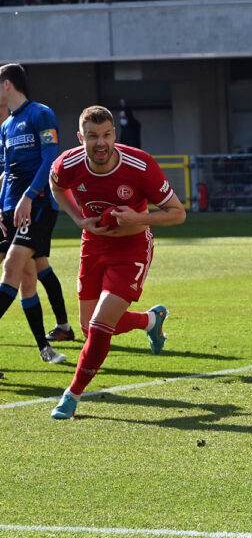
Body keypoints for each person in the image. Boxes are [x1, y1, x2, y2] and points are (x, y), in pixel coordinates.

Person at [48, 105, 187, 419]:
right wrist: (78, 219)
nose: (101, 143)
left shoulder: (140, 164)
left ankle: (72, 395)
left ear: (114, 134)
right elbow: (57, 185)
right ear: (80, 137)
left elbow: (178, 213)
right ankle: (151, 321)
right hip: (93, 246)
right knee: (89, 327)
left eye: (107, 135)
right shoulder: (66, 164)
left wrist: (139, 217)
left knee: (98, 328)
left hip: (132, 248)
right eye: (93, 136)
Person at [0, 64, 69, 364]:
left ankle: (60, 329)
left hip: (38, 205)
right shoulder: (5, 126)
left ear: (7, 85)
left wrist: (29, 196)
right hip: (11, 207)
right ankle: (45, 347)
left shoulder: (41, 114)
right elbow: (5, 172)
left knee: (13, 266)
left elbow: (50, 160)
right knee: (28, 275)